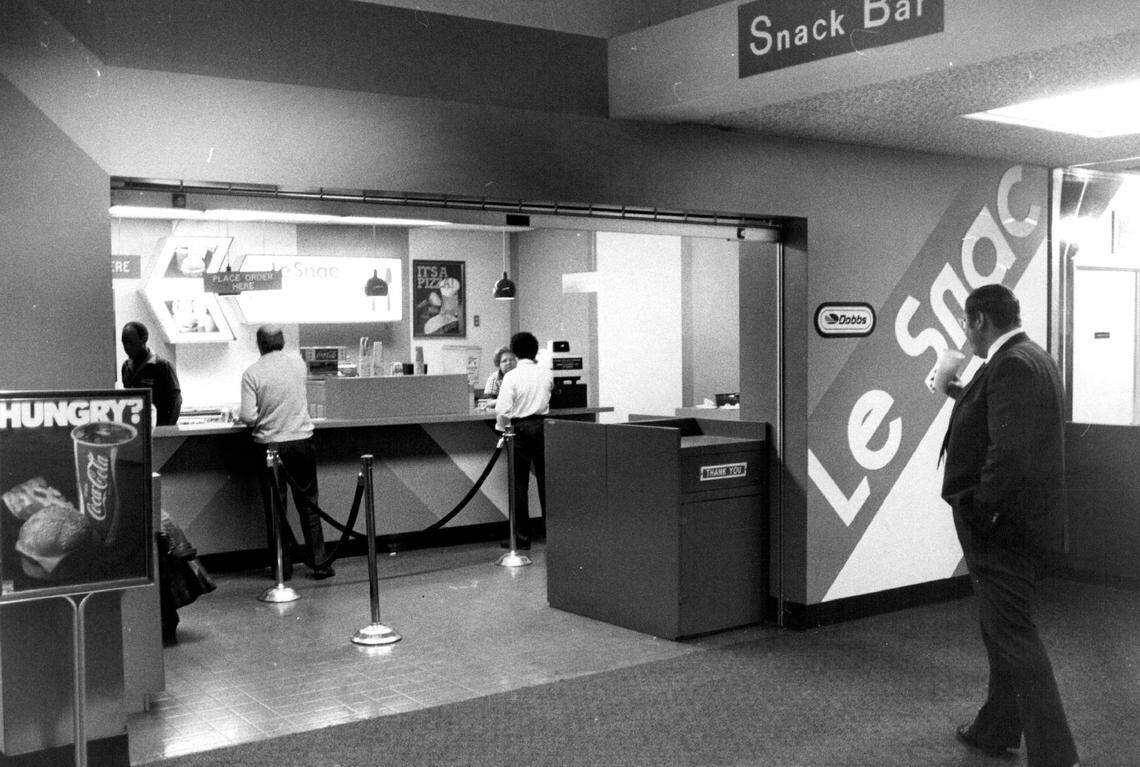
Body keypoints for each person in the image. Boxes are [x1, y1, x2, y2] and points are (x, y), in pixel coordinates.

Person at [939, 284, 1078, 767]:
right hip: (1021, 525)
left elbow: (1010, 452)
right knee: (1000, 629)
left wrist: (981, 511)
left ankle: (1058, 756)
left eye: (964, 323)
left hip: (1004, 529)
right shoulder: (1028, 357)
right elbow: (1002, 419)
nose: (965, 334)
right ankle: (994, 729)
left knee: (1013, 633)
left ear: (979, 321)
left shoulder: (1012, 364)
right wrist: (953, 388)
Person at [239, 325, 334, 580]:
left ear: (259, 344)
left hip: (270, 446)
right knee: (309, 506)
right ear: (282, 342)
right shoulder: (299, 365)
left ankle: (283, 569)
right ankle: (320, 563)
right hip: (302, 441)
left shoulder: (252, 373)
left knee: (276, 508)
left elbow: (248, 416)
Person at [494, 331, 553, 549]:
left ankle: (522, 536)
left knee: (519, 484)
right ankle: (551, 533)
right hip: (543, 427)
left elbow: (503, 410)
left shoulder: (511, 376)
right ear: (535, 350)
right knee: (546, 482)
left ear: (515, 352)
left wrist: (502, 430)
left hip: (519, 430)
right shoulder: (546, 374)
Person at [120, 321, 183, 426]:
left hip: (159, 427)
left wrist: (166, 428)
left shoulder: (162, 366)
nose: (127, 347)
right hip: (137, 427)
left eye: (131, 342)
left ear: (143, 339)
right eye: (124, 343)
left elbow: (176, 400)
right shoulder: (126, 367)